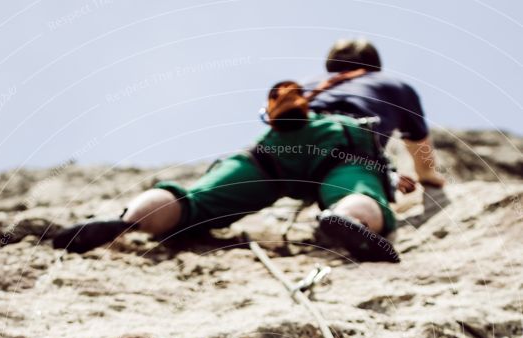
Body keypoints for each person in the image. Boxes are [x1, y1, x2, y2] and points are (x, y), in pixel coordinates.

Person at [53, 81, 405, 262]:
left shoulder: (321, 84)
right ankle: (347, 218)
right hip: (339, 144)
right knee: (354, 191)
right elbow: (422, 148)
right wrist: (430, 180)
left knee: (194, 202)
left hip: (273, 147)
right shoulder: (391, 86)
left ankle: (129, 219)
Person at [305, 38, 445, 189]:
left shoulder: (307, 82)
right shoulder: (393, 85)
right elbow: (418, 144)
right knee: (357, 200)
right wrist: (427, 175)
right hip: (345, 141)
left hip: (287, 133)